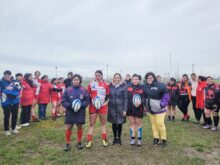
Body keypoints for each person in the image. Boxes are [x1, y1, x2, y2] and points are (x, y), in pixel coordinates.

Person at [62, 74, 90, 151]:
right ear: (72, 81)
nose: (76, 81)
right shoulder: (68, 90)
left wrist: (80, 106)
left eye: (77, 80)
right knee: (69, 127)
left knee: (79, 126)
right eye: (75, 80)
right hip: (70, 111)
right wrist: (71, 106)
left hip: (80, 111)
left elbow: (87, 100)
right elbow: (63, 101)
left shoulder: (84, 90)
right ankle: (67, 143)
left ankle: (79, 142)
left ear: (80, 81)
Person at [143, 72, 170, 147]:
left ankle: (164, 139)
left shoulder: (160, 85)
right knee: (153, 124)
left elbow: (166, 95)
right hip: (150, 110)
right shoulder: (144, 86)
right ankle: (156, 138)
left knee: (160, 124)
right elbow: (143, 96)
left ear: (154, 78)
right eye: (147, 78)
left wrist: (162, 105)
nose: (149, 79)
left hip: (159, 109)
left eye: (150, 78)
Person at [85, 70, 110, 149]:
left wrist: (104, 102)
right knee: (92, 123)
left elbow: (108, 95)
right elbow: (87, 95)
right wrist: (90, 102)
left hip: (102, 106)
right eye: (96, 75)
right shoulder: (91, 84)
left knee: (103, 123)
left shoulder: (106, 84)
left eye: (99, 75)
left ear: (101, 76)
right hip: (93, 106)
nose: (97, 77)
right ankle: (89, 140)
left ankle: (104, 139)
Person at [108, 73, 128, 145]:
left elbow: (126, 99)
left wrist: (125, 109)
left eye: (118, 78)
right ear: (113, 78)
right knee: (113, 123)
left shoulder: (124, 86)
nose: (116, 79)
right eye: (115, 78)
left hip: (120, 108)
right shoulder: (110, 86)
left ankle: (119, 138)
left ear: (120, 78)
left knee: (119, 123)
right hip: (112, 108)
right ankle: (114, 138)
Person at [0, 70, 22, 136]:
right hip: (6, 102)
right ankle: (7, 130)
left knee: (15, 114)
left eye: (9, 75)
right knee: (7, 115)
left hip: (15, 101)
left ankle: (14, 128)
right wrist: (12, 89)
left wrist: (11, 89)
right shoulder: (1, 82)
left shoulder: (15, 81)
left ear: (10, 75)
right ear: (4, 75)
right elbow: (5, 90)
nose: (7, 76)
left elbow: (19, 89)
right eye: (6, 75)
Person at [127, 74, 145, 146]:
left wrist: (141, 102)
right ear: (131, 79)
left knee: (138, 123)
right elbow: (125, 97)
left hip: (138, 109)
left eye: (136, 79)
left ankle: (139, 139)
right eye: (133, 79)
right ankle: (133, 138)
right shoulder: (128, 87)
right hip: (130, 108)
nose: (135, 81)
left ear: (139, 80)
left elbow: (144, 98)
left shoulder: (142, 87)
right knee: (132, 123)